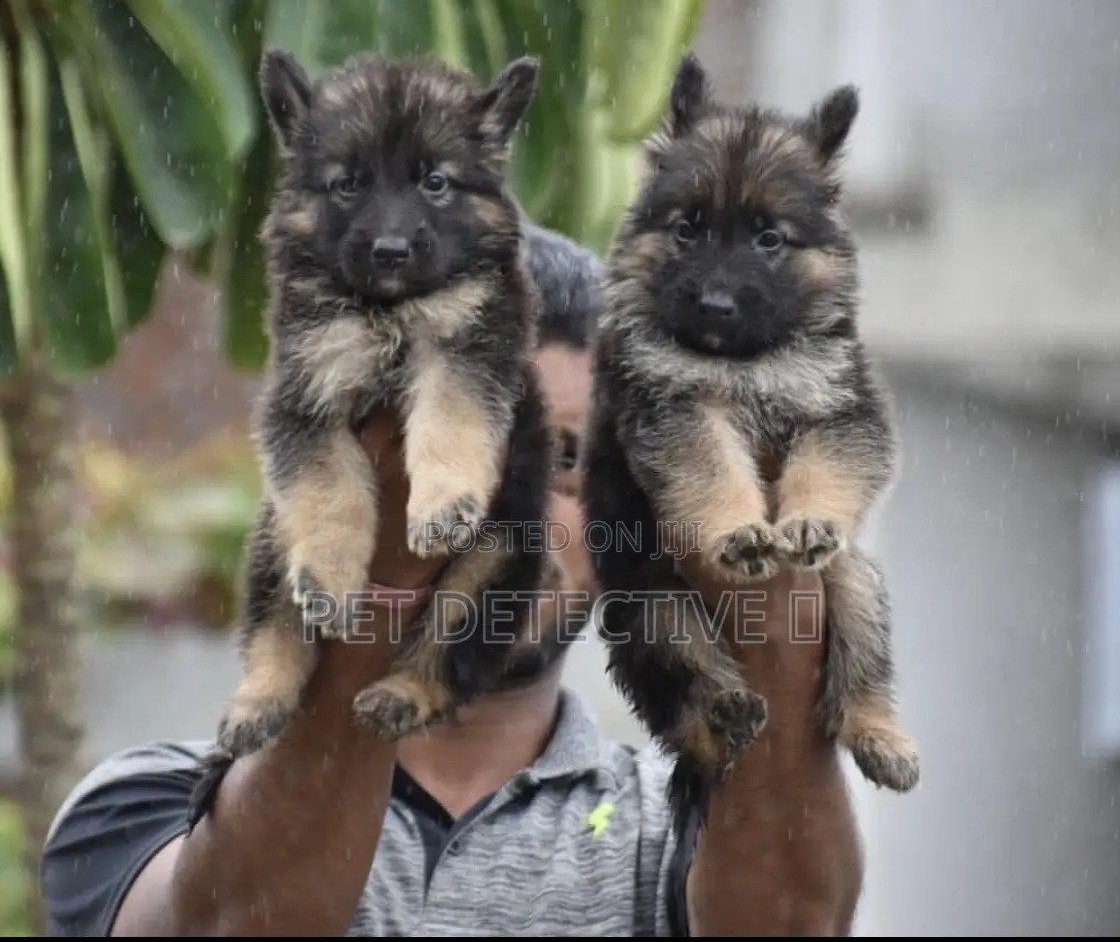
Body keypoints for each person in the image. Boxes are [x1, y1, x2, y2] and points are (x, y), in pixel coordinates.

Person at [40, 224, 862, 937]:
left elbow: (788, 920)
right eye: (491, 452)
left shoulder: (672, 828)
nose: (524, 515)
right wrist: (383, 577)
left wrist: (766, 592)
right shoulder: (150, 803)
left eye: (570, 462)